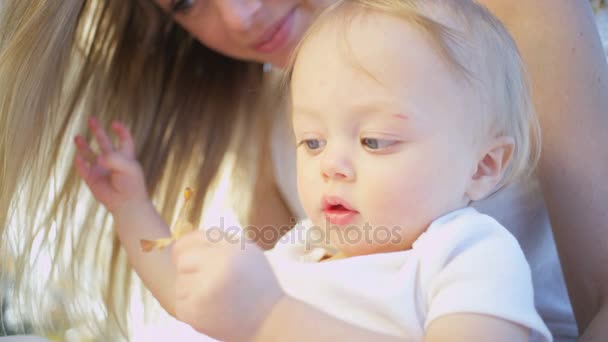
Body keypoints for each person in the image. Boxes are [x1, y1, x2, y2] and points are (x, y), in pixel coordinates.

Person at [0, 0, 606, 340]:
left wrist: (269, 317)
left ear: (483, 167)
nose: (331, 165)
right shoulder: (297, 250)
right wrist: (132, 207)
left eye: (375, 140)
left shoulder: (467, 253)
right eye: (310, 142)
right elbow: (190, 289)